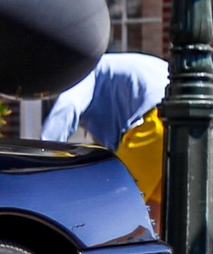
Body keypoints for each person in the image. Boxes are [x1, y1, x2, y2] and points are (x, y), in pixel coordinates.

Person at [40, 51, 169, 211]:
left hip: (152, 124)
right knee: (155, 214)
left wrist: (44, 157)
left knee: (111, 207)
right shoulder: (114, 73)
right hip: (179, 125)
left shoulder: (84, 73)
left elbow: (67, 106)